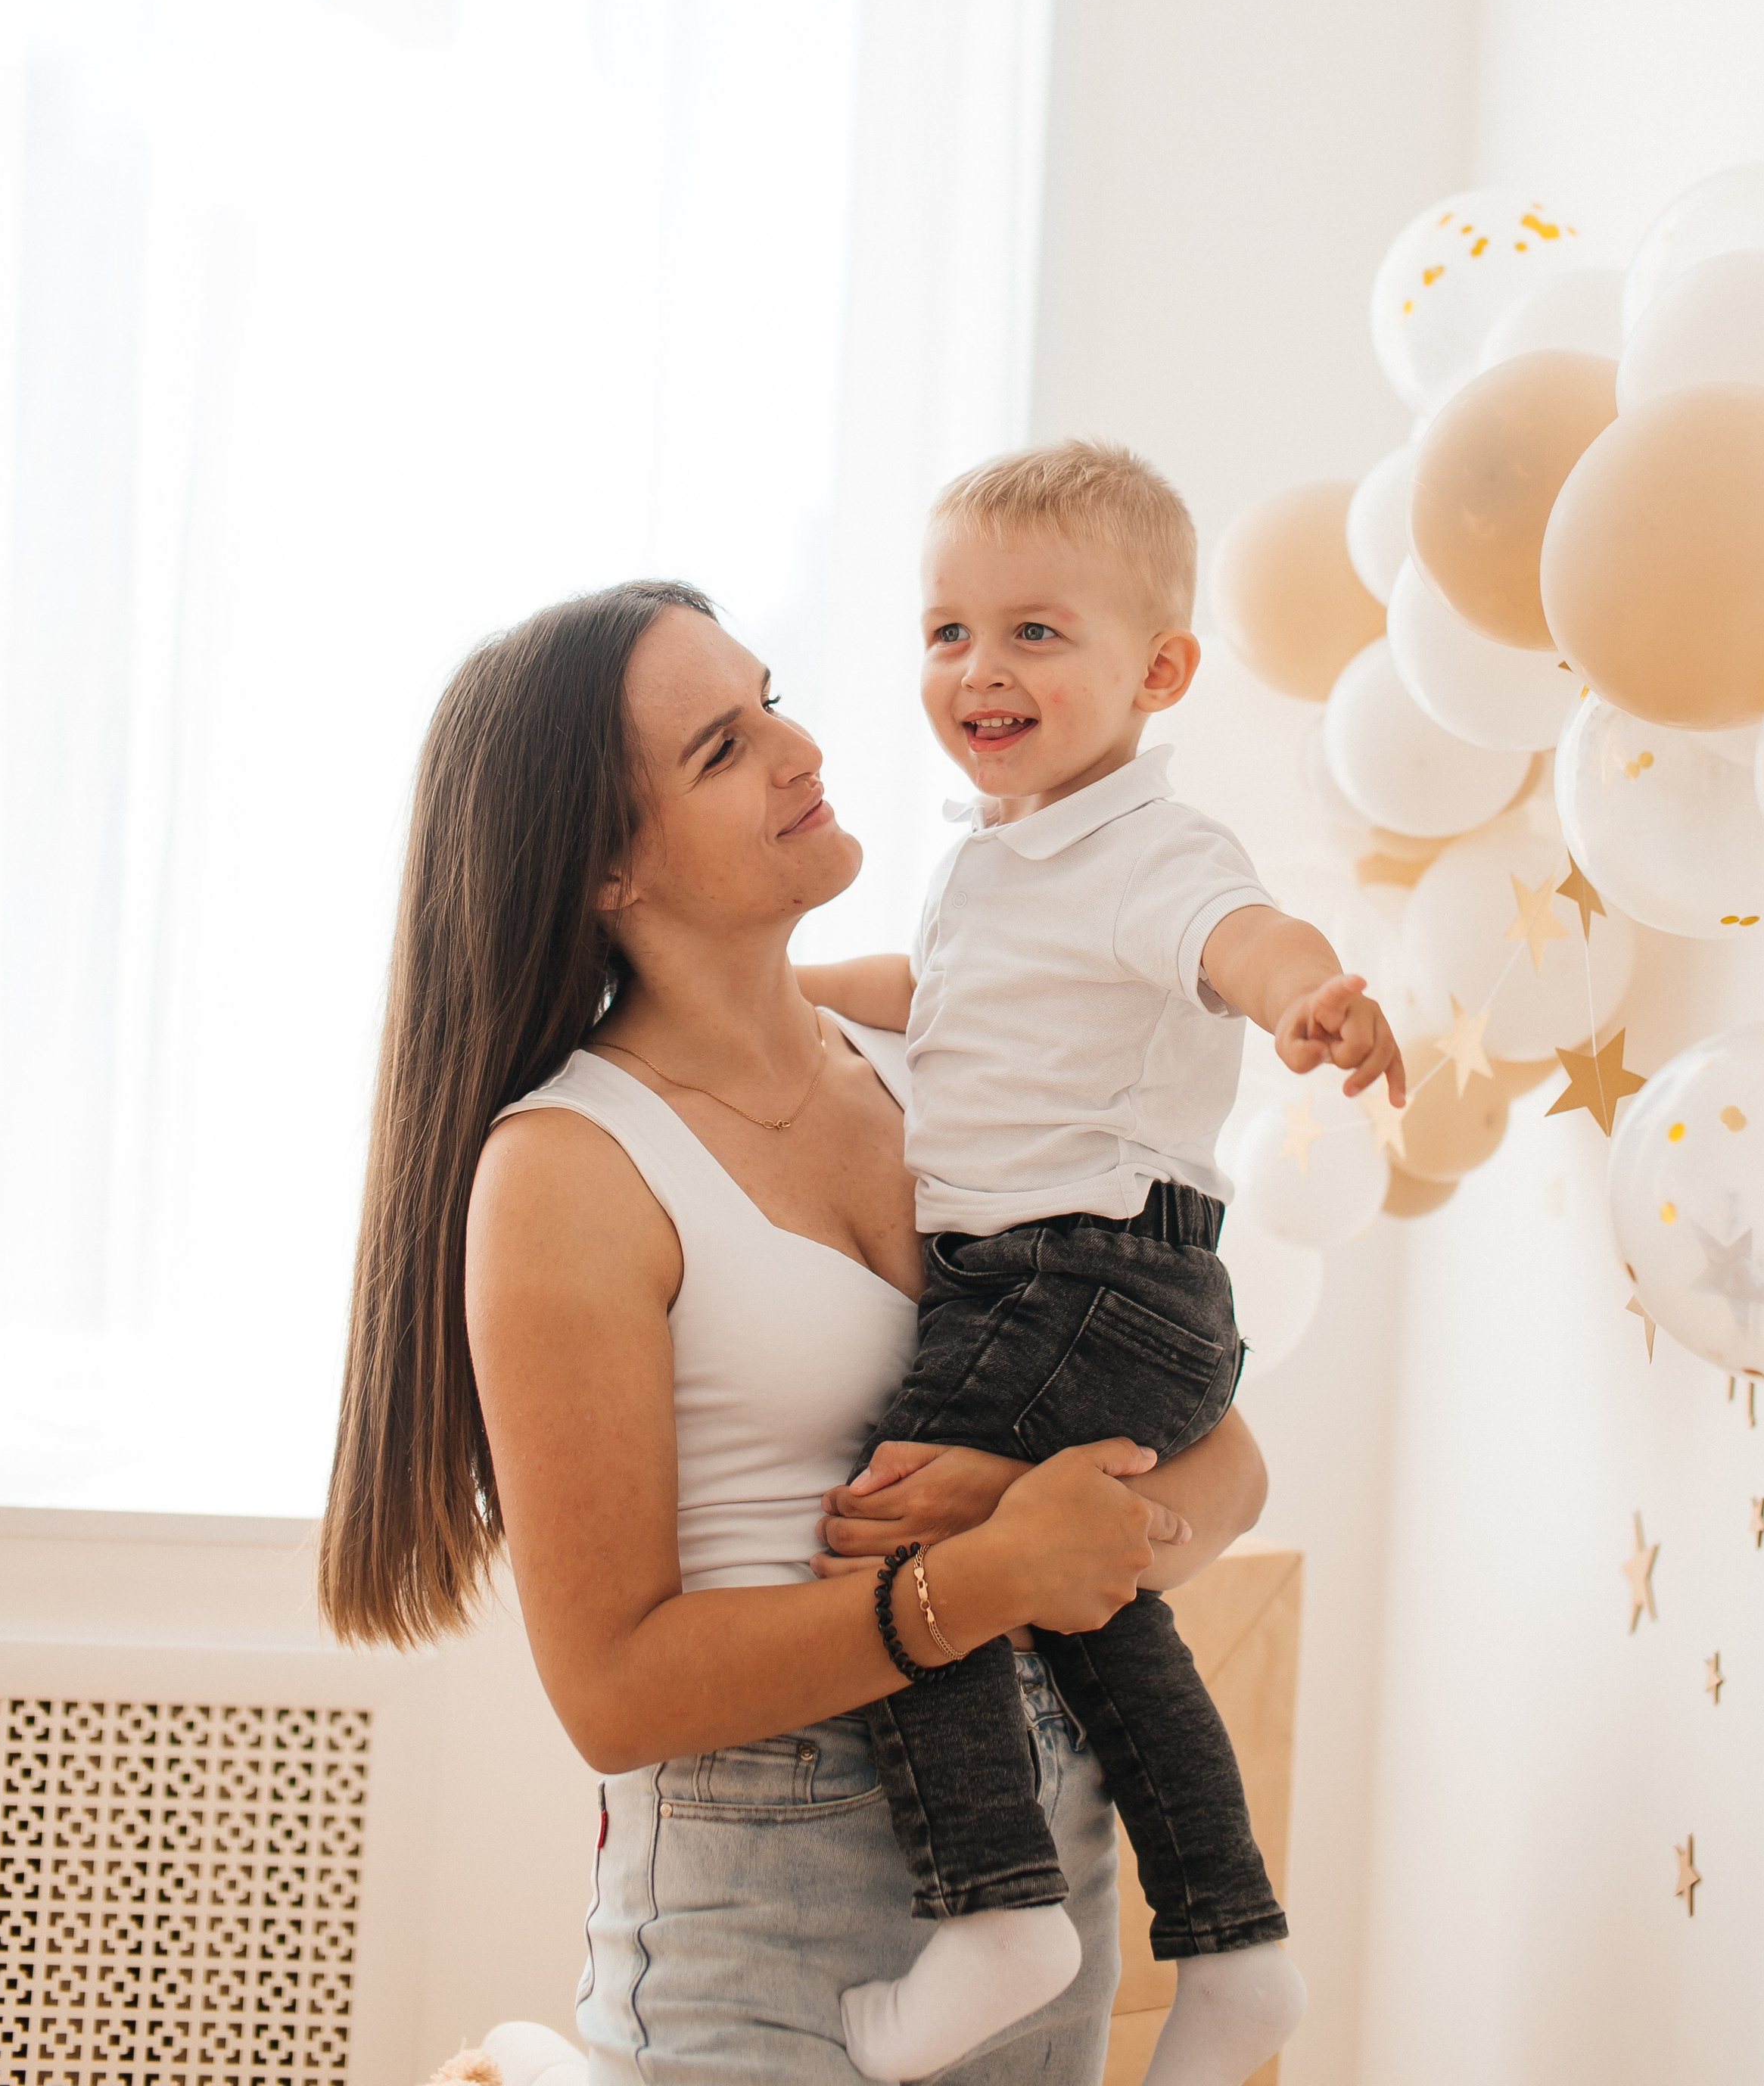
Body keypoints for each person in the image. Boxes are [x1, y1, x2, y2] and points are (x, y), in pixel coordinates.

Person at [317, 576, 1268, 2083]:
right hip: (766, 1922)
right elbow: (613, 1691)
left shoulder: (934, 1060)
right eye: (720, 748)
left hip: (1045, 1872)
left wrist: (1080, 1528)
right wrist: (983, 1574)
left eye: (768, 695)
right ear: (604, 871)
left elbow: (1220, 1457)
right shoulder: (569, 1168)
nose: (798, 745)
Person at [801, 441, 1406, 2086]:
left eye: (1033, 633)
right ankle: (1233, 1947)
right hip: (1069, 1287)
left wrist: (1302, 996)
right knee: (1090, 1603)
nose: (978, 669)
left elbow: (1234, 936)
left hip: (1086, 1279)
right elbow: (938, 992)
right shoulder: (995, 852)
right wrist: (788, 991)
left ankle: (994, 1907)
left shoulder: (1146, 849)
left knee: (894, 1531)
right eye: (944, 632)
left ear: (1159, 670)